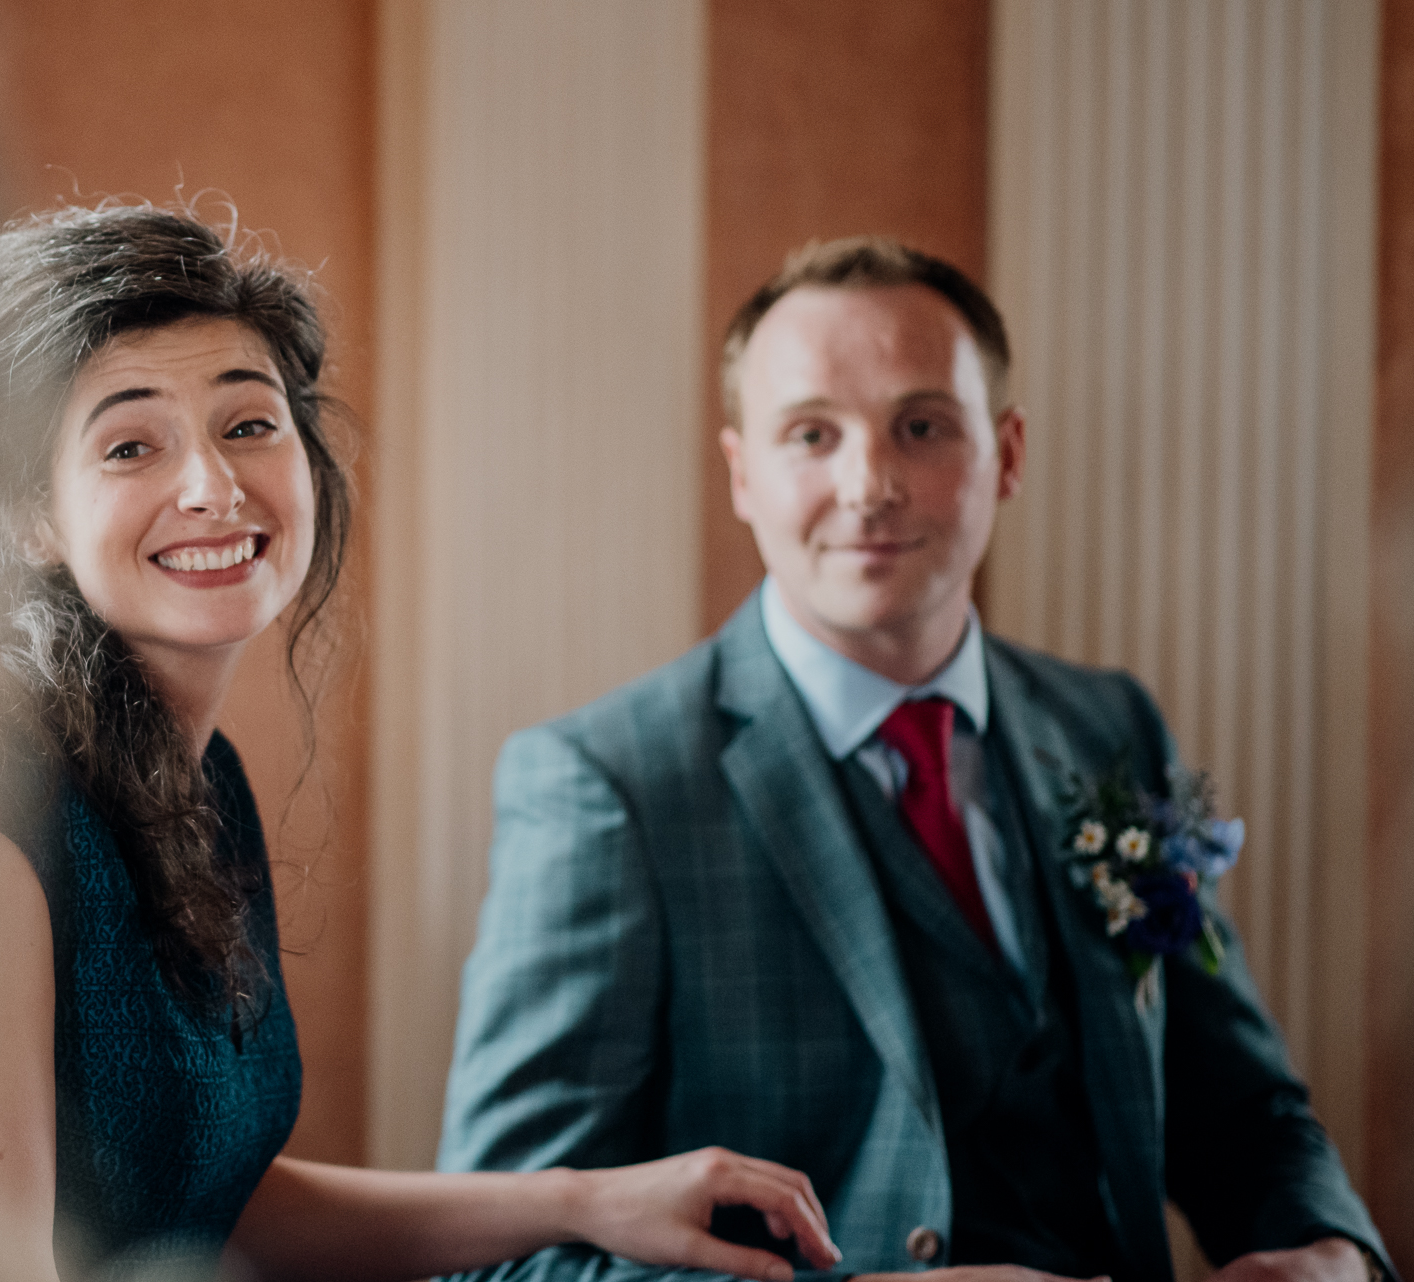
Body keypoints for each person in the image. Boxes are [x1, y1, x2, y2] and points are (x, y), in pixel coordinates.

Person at [0, 202, 843, 1282]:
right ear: (25, 516)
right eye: (131, 444)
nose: (214, 486)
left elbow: (211, 1202)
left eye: (248, 424)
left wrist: (591, 1199)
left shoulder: (203, 783)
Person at [437, 238, 1394, 1282]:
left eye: (922, 426)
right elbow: (502, 1254)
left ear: (1010, 453)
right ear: (742, 474)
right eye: (812, 433)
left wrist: (1329, 1253)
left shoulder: (1109, 726)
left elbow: (1238, 1103)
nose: (871, 483)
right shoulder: (608, 783)